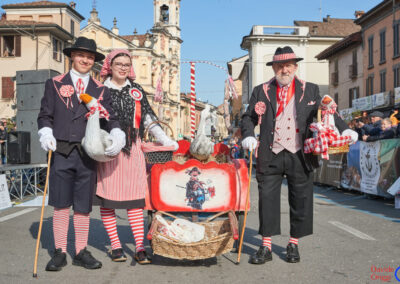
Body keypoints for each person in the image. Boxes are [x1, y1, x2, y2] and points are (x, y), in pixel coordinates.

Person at [240, 46, 358, 264]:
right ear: (273, 68)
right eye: (279, 66)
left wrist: (345, 129)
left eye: (288, 66)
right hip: (270, 152)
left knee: (301, 199)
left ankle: (293, 244)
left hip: (300, 153)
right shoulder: (260, 90)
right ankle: (265, 246)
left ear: (295, 67)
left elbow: (329, 112)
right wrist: (248, 135)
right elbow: (248, 118)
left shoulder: (311, 90)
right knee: (267, 199)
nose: (284, 70)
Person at [37, 37, 125, 271]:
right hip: (62, 150)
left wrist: (118, 135)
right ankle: (59, 251)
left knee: (83, 205)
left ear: (93, 61)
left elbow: (111, 118)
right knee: (61, 203)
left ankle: (80, 250)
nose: (85, 60)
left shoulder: (101, 89)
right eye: (81, 55)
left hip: (88, 153)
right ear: (72, 57)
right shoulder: (54, 83)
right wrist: (46, 133)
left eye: (90, 57)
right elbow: (45, 115)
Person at [94, 49, 178, 264]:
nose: (123, 67)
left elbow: (148, 117)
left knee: (134, 200)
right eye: (118, 63)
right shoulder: (101, 89)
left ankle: (140, 247)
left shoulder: (136, 89)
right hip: (110, 149)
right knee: (108, 198)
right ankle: (115, 246)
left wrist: (164, 139)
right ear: (110, 66)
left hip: (134, 147)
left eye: (126, 64)